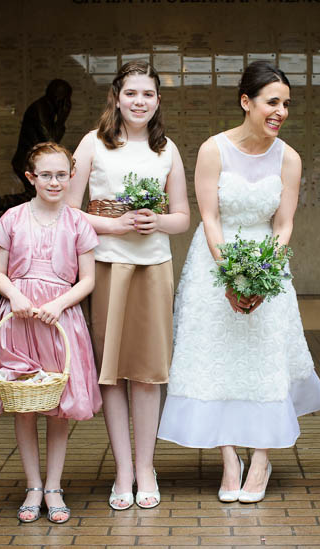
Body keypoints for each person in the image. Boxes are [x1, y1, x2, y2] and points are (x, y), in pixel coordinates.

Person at [157, 61, 320, 504]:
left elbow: (284, 224)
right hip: (215, 262)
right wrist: (229, 275)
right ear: (246, 102)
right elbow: (210, 217)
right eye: (273, 102)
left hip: (267, 263)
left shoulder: (289, 158)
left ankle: (261, 458)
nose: (281, 112)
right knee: (217, 357)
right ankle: (229, 456)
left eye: (286, 104)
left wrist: (263, 272)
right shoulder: (214, 149)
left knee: (262, 360)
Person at [66, 61, 189, 510]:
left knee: (148, 373)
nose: (140, 101)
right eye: (132, 93)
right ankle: (122, 470)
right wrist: (115, 227)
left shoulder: (167, 149)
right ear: (116, 97)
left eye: (149, 94)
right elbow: (69, 209)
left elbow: (182, 217)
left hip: (153, 264)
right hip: (107, 264)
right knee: (112, 373)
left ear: (158, 100)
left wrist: (157, 220)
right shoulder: (93, 144)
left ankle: (145, 468)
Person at [0, 142, 102, 523]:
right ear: (31, 178)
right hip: (20, 319)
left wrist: (59, 304)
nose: (54, 181)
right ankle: (32, 484)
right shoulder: (12, 218)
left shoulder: (79, 222)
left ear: (71, 176)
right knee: (24, 403)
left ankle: (54, 486)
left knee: (57, 406)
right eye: (45, 174)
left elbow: (88, 279)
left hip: (59, 321)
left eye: (61, 174)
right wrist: (15, 295)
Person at [0, 79, 74, 229]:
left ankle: (2, 207)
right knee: (37, 195)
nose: (66, 104)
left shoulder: (47, 108)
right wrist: (62, 119)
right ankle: (0, 203)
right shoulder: (41, 108)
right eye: (64, 99)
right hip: (27, 162)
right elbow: (51, 140)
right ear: (57, 97)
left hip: (33, 163)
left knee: (39, 195)